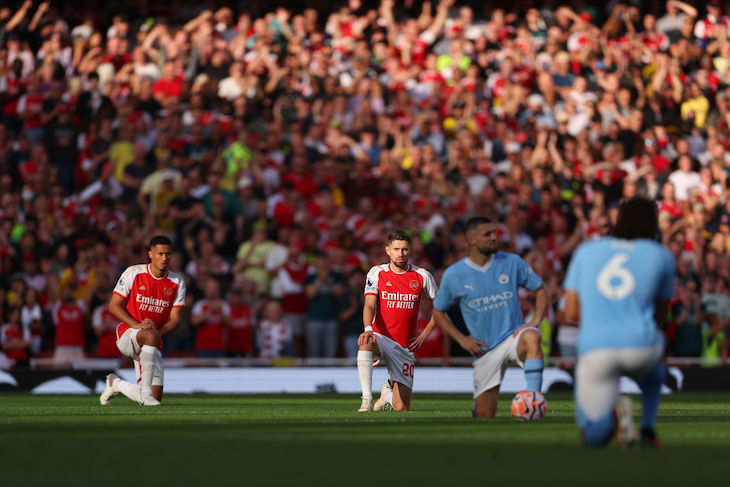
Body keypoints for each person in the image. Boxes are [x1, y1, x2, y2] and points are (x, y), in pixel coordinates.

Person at [563, 197, 676, 447]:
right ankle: (647, 429)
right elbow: (660, 317)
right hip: (641, 346)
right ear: (653, 223)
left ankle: (608, 421)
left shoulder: (586, 251)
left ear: (618, 220)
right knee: (655, 372)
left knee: (594, 438)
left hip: (596, 349)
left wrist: (600, 320)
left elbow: (570, 311)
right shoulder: (662, 256)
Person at [432, 217, 548, 419]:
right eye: (488, 234)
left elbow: (541, 289)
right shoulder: (454, 274)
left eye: (495, 232)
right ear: (472, 239)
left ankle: (533, 399)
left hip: (513, 337)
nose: (495, 237)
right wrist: (461, 339)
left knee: (532, 336)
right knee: (486, 416)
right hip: (485, 350)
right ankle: (479, 408)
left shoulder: (512, 262)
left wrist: (535, 321)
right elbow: (438, 312)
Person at [99, 235, 186, 406]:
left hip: (153, 340)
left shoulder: (177, 282)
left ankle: (115, 384)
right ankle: (145, 395)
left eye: (168, 254)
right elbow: (114, 306)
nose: (164, 258)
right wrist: (138, 326)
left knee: (157, 397)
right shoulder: (134, 273)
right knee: (148, 397)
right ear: (150, 254)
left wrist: (156, 334)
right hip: (128, 332)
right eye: (160, 254)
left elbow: (175, 320)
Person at [357, 230, 438, 412]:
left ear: (410, 251)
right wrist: (368, 328)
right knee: (365, 342)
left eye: (404, 249)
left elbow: (440, 309)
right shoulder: (377, 273)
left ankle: (386, 393)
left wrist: (424, 335)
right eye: (396, 249)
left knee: (402, 408)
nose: (400, 254)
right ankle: (366, 399)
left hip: (405, 346)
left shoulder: (423, 276)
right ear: (388, 250)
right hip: (382, 337)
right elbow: (369, 305)